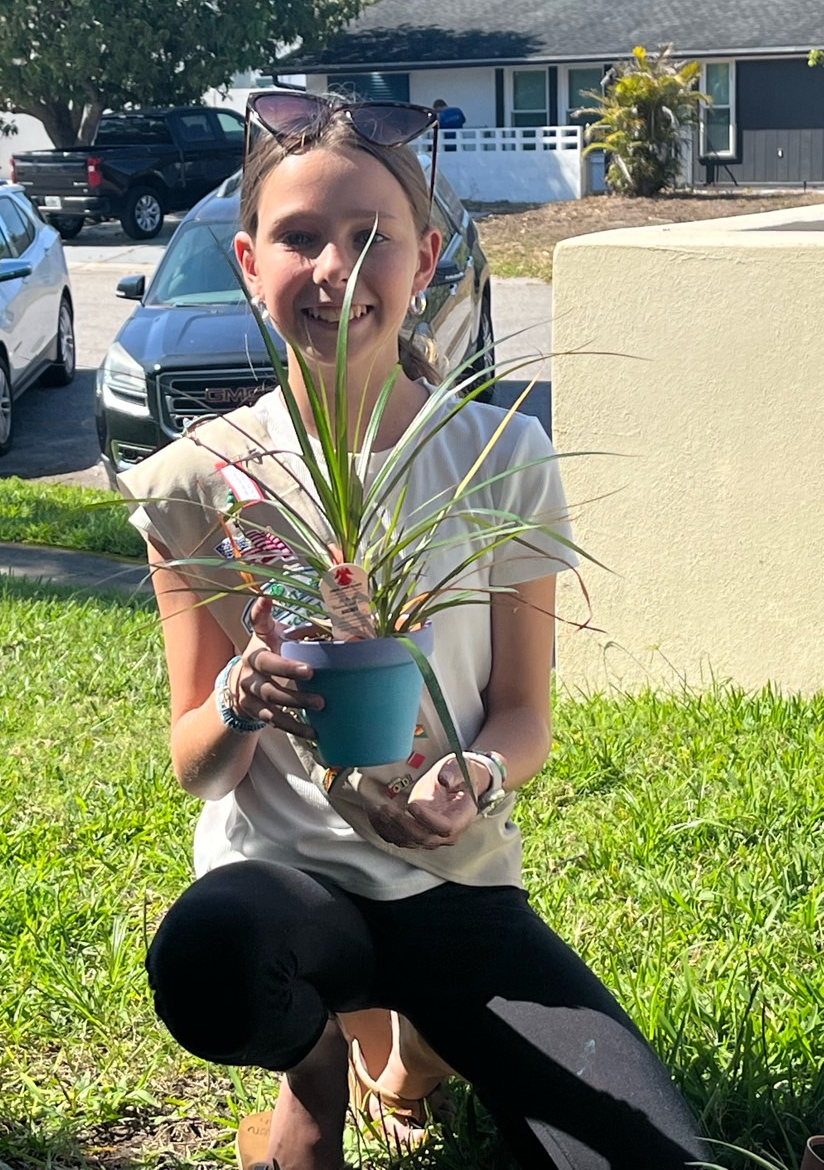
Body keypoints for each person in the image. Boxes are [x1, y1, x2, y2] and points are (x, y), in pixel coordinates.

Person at [118, 90, 707, 1170]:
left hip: (454, 884)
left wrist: (474, 773)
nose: (336, 270)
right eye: (300, 237)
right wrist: (241, 696)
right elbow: (196, 765)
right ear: (248, 262)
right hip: (283, 888)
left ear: (426, 258)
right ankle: (314, 1068)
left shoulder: (499, 458)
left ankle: (415, 1047)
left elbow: (524, 717)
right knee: (206, 958)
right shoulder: (199, 478)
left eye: (371, 237)